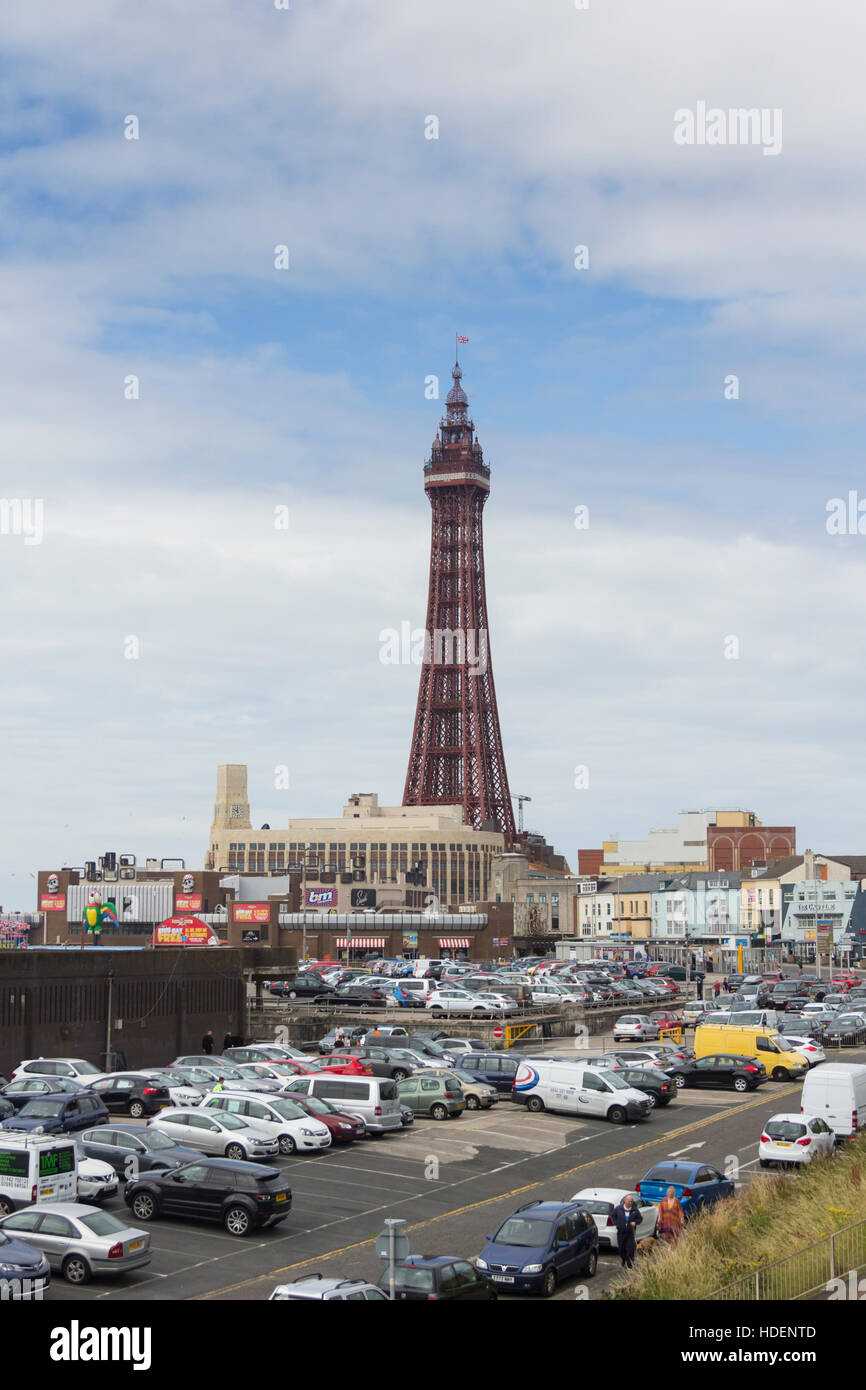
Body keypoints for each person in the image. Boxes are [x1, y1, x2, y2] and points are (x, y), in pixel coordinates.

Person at [613, 1193, 642, 1269]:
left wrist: (635, 1223)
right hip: (621, 1232)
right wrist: (617, 1224)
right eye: (629, 1201)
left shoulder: (634, 1210)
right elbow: (613, 1216)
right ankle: (623, 1259)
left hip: (630, 1233)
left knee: (630, 1249)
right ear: (625, 1201)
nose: (630, 1203)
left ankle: (630, 1264)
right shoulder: (618, 1208)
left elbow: (640, 1218)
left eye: (631, 1201)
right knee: (621, 1248)